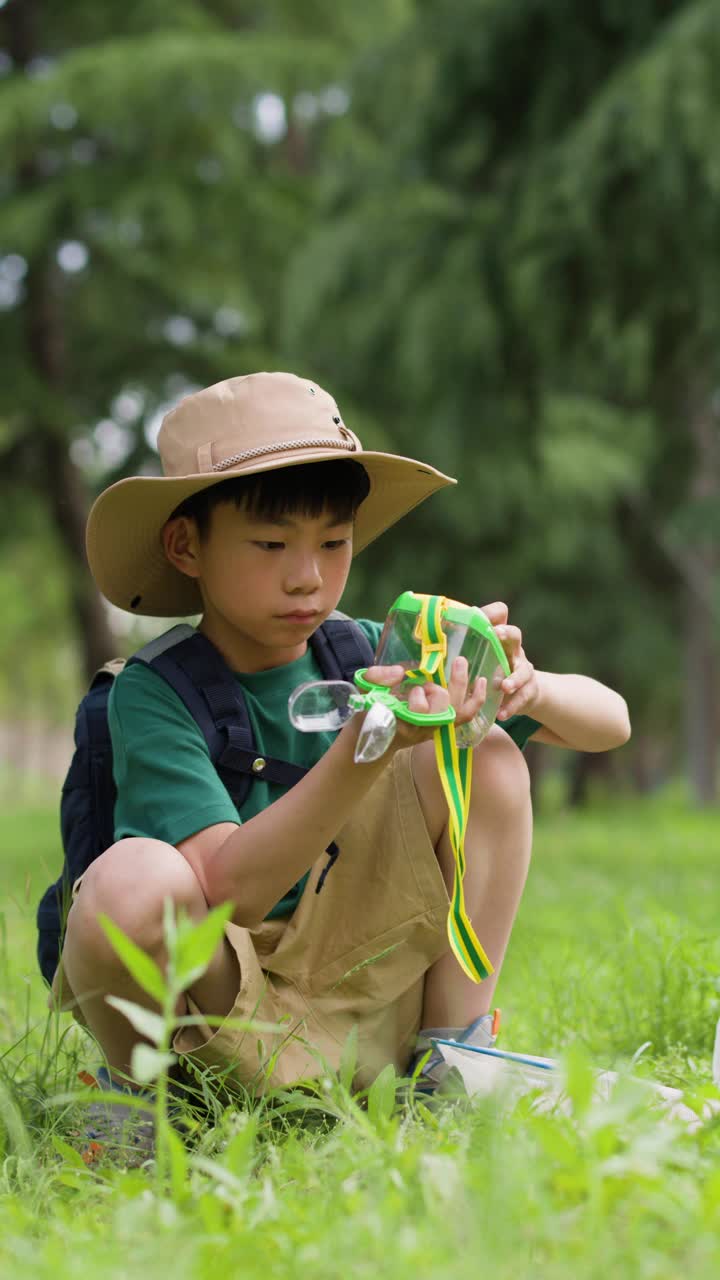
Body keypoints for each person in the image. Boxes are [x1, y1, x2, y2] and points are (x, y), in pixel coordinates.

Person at [54, 370, 631, 1102]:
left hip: (376, 999)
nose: (307, 578)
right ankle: (146, 1099)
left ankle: (451, 1061)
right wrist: (365, 751)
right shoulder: (155, 691)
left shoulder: (371, 653)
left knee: (486, 753)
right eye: (270, 544)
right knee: (127, 883)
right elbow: (229, 896)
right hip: (222, 1017)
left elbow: (611, 722)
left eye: (333, 542)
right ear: (185, 546)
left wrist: (531, 687)